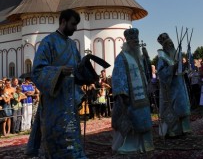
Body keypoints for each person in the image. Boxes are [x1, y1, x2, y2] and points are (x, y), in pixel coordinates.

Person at [27, 9, 99, 158]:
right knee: (56, 134)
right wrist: (59, 71)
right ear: (63, 21)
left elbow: (77, 69)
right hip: (54, 101)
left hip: (70, 99)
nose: (75, 28)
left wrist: (87, 74)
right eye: (73, 24)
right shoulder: (48, 42)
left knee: (72, 132)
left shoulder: (72, 45)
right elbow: (37, 71)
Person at [111, 28, 154, 155]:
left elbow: (145, 74)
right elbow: (118, 76)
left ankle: (145, 145)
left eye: (137, 40)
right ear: (127, 42)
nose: (136, 42)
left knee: (144, 120)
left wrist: (149, 85)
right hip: (130, 98)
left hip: (143, 97)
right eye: (133, 40)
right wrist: (122, 93)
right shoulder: (122, 57)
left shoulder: (139, 57)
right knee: (132, 120)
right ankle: (128, 145)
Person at [157, 33, 191, 138]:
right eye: (168, 44)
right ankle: (172, 132)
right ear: (164, 46)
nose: (171, 45)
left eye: (172, 43)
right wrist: (172, 68)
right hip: (170, 89)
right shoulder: (162, 58)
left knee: (182, 107)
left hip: (180, 86)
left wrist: (184, 66)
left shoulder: (177, 55)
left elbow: (182, 71)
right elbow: (161, 73)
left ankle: (185, 129)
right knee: (173, 109)